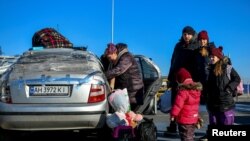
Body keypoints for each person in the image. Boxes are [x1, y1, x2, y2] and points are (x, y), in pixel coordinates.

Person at [200, 47, 241, 141]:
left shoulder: (227, 67)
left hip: (225, 104)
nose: (211, 58)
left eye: (213, 56)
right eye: (210, 56)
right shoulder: (209, 69)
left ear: (218, 57)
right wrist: (205, 95)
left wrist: (229, 89)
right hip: (213, 105)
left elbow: (237, 79)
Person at [167, 26, 199, 133]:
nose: (186, 36)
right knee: (175, 102)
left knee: (185, 104)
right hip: (176, 78)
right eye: (184, 34)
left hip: (188, 80)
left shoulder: (196, 46)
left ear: (192, 34)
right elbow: (173, 61)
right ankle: (172, 125)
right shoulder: (178, 46)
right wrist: (170, 77)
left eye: (188, 34)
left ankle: (187, 126)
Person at [104, 43, 144, 111]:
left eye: (109, 57)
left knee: (130, 114)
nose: (109, 60)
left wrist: (102, 75)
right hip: (127, 91)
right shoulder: (117, 59)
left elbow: (118, 70)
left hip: (133, 91)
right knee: (126, 114)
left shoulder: (127, 57)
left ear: (114, 53)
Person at [170, 67, 202, 141]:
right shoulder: (196, 90)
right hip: (193, 118)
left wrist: (173, 115)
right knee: (190, 135)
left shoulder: (183, 91)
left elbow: (178, 105)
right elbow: (196, 106)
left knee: (185, 137)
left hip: (184, 119)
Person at [195, 30, 215, 104]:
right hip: (200, 82)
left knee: (211, 105)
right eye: (201, 39)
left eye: (204, 39)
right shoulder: (197, 52)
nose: (202, 41)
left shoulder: (212, 50)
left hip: (210, 81)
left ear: (207, 40)